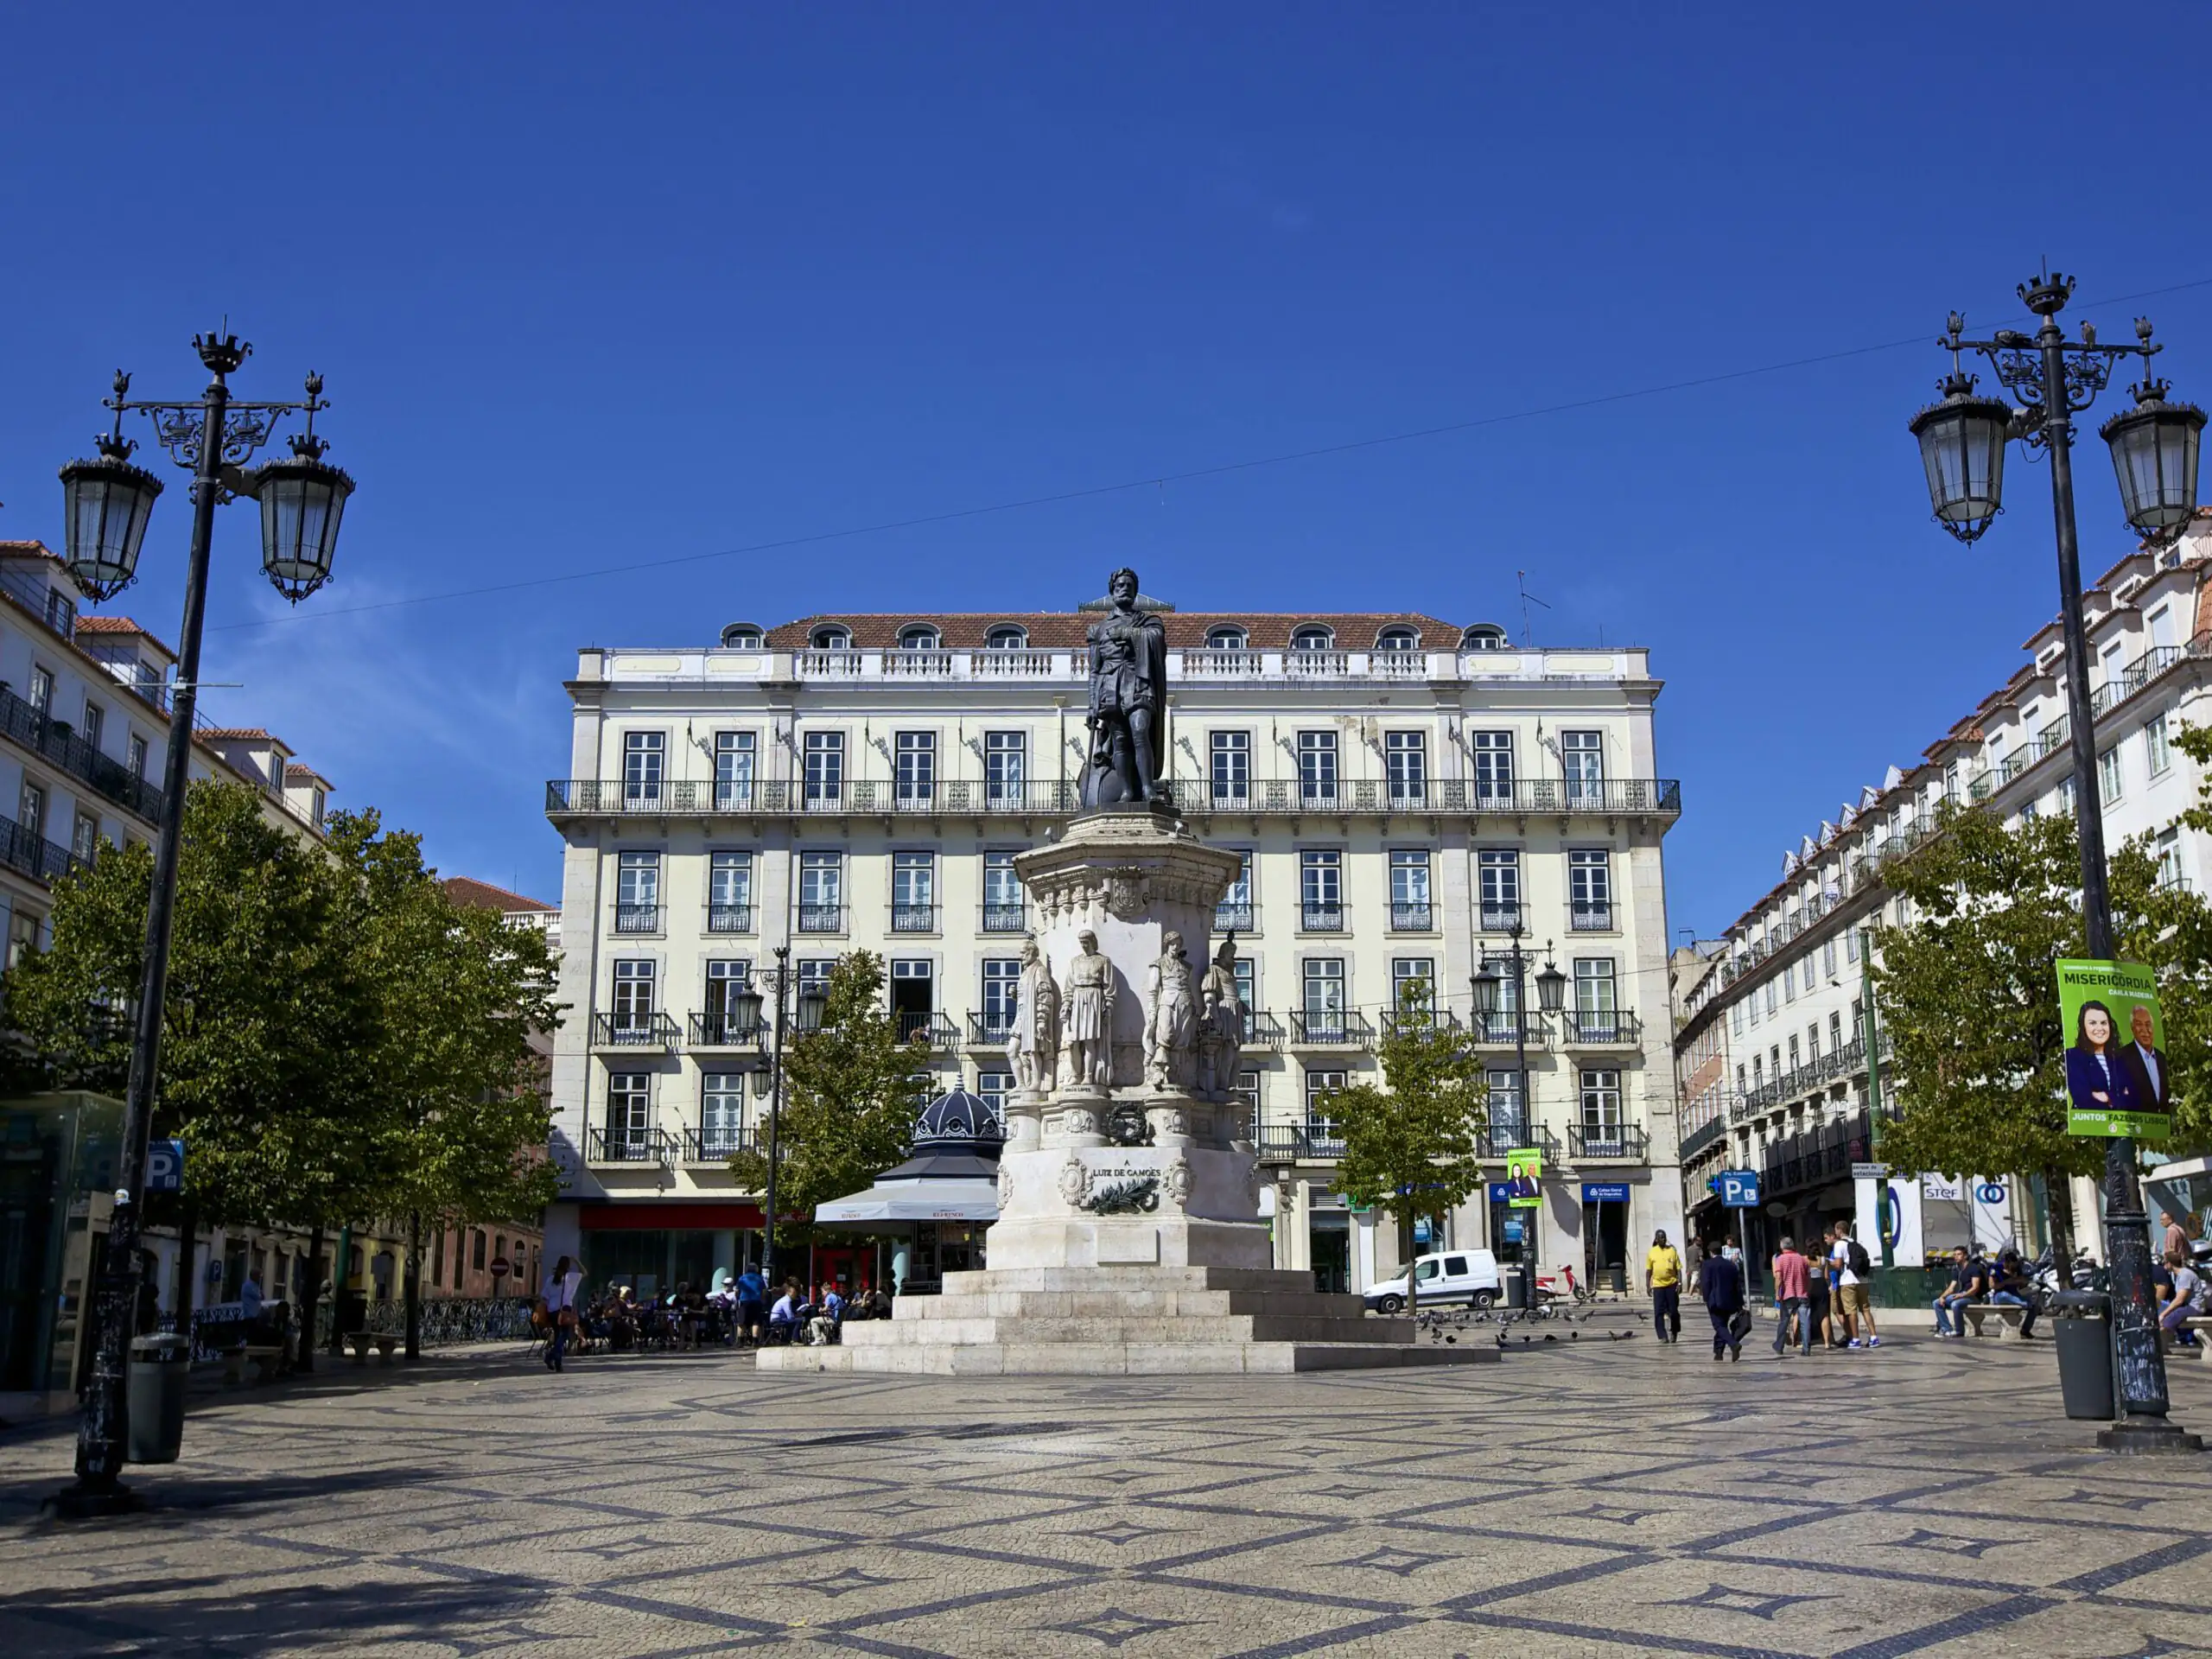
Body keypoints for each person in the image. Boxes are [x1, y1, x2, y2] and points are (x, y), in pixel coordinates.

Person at [2064, 1000, 2140, 1121]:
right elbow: (2082, 1097)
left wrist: (2105, 1097)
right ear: (2083, 1027)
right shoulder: (2073, 1056)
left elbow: (2135, 1098)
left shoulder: (2120, 1059)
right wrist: (2119, 1096)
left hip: (2121, 1124)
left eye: (2104, 1023)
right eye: (2093, 1023)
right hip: (2088, 1128)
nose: (2100, 1028)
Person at [1830, 1223, 1878, 1349]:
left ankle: (1855, 1339)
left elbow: (1838, 1264)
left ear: (1839, 1230)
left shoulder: (1839, 1244)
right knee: (1865, 1309)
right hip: (1861, 1280)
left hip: (1848, 1281)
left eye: (1836, 1230)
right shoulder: (1856, 1243)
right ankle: (1874, 1337)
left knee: (1851, 1311)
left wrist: (1827, 1262)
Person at [1698, 1240, 1745, 1362]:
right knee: (1722, 1325)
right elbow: (1737, 1286)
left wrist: (1706, 1299)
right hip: (1729, 1301)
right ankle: (1718, 1352)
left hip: (1714, 1301)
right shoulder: (1730, 1265)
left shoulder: (1707, 1265)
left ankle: (1733, 1344)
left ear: (1711, 1252)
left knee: (1718, 1326)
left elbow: (1706, 1283)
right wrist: (1740, 1303)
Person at [2119, 1004, 2170, 1113]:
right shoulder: (2122, 1057)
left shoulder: (2162, 1058)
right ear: (2132, 1028)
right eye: (2139, 1025)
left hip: (2162, 1126)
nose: (2145, 1030)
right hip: (2137, 1125)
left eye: (2148, 1024)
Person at [1770, 1236, 1812, 1357]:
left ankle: (1779, 1346)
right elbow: (1808, 1278)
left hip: (1788, 1295)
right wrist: (1807, 1290)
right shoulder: (1803, 1259)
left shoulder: (1780, 1259)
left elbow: (1779, 1278)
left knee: (1784, 1321)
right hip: (1802, 1294)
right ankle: (1806, 1348)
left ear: (1782, 1246)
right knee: (1805, 1322)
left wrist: (1777, 1294)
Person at [541, 1254, 582, 1372]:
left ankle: (558, 1364)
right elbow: (584, 1273)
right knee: (563, 1336)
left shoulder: (550, 1279)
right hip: (565, 1310)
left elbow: (544, 1296)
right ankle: (551, 1356)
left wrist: (550, 1305)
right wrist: (577, 1261)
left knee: (558, 1335)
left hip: (552, 1310)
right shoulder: (569, 1279)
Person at [1932, 1247, 1985, 1338]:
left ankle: (1959, 1331)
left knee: (1955, 1304)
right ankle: (1946, 1329)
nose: (1956, 1257)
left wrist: (1962, 1295)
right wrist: (1942, 1297)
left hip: (1972, 1297)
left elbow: (1975, 1288)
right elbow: (1951, 1288)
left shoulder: (1973, 1268)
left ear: (1965, 1256)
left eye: (1959, 1254)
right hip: (1961, 1296)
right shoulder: (1957, 1270)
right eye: (1955, 1255)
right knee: (1937, 1303)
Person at [1986, 1247, 2038, 1338]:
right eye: (2011, 1265)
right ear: (2006, 1262)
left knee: (2035, 1307)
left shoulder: (2017, 1269)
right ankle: (2023, 1303)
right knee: (2005, 1295)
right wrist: (2006, 1282)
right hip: (2000, 1295)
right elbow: (1992, 1285)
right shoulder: (1996, 1268)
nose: (2012, 1268)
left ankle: (2025, 1330)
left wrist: (2021, 1282)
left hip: (2015, 1294)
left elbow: (2022, 1284)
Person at [1645, 1229, 1683, 1344]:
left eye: (1664, 1237)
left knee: (1673, 1311)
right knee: (1658, 1312)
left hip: (1671, 1284)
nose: (1663, 1239)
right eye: (1661, 1237)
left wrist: (1680, 1283)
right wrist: (1648, 1285)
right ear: (1656, 1239)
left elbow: (1678, 1269)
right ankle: (1662, 1336)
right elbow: (1648, 1270)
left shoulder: (1672, 1250)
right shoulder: (1652, 1252)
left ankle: (1674, 1331)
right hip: (1658, 1286)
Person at [2159, 1249, 2203, 1348]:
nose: (2163, 1264)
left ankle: (2150, 1341)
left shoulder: (2185, 1275)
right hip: (2190, 1307)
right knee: (2167, 1315)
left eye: (2165, 1262)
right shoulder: (2179, 1275)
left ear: (2170, 1263)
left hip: (2195, 1307)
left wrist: (2162, 1314)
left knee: (2163, 1321)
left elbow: (2179, 1300)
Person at [735, 1265, 767, 1348]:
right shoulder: (759, 1278)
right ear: (756, 1270)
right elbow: (764, 1291)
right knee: (755, 1322)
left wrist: (738, 1298)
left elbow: (737, 1291)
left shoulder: (742, 1278)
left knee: (741, 1322)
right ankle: (755, 1341)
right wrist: (763, 1300)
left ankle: (740, 1342)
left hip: (744, 1301)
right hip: (756, 1301)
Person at [767, 1280, 800, 1344]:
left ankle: (786, 1339)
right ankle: (794, 1340)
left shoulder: (785, 1300)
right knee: (798, 1321)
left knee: (792, 1322)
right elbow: (789, 1315)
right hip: (776, 1320)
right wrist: (796, 1317)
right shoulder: (786, 1301)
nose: (796, 1294)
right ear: (789, 1293)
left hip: (777, 1319)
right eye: (795, 1292)